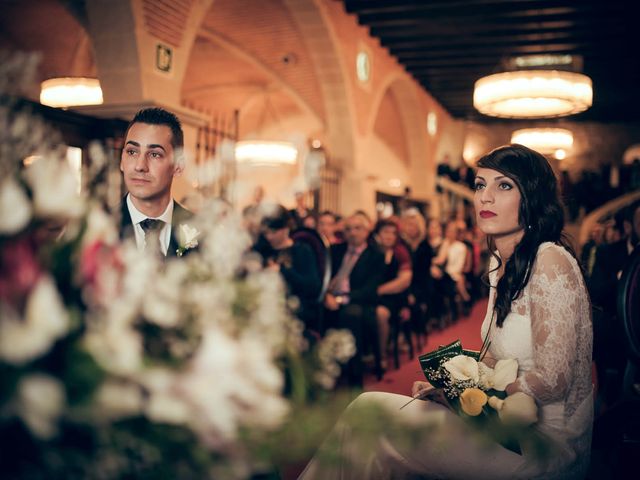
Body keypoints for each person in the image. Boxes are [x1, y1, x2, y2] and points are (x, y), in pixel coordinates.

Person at [299, 144, 593, 479]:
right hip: (501, 420)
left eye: (504, 185)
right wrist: (451, 390)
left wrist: (467, 396)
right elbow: (498, 360)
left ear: (533, 197)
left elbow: (555, 380)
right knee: (366, 414)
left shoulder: (550, 261)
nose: (485, 197)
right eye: (480, 185)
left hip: (541, 444)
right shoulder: (501, 267)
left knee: (369, 415)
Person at [119, 107, 195, 258]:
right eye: (132, 152)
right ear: (122, 160)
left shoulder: (199, 230)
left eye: (155, 154)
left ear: (178, 166)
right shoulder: (94, 228)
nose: (140, 166)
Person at [324, 211, 385, 386]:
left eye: (358, 228)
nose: (352, 233)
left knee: (350, 315)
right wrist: (328, 296)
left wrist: (342, 299)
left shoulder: (376, 254)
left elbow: (370, 290)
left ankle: (354, 378)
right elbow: (325, 278)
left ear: (366, 231)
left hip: (359, 302)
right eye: (349, 229)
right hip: (331, 298)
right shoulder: (336, 250)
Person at [260, 205, 321, 333]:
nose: (269, 237)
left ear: (286, 229)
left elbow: (312, 287)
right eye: (266, 232)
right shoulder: (263, 250)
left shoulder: (302, 251)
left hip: (295, 305)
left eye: (274, 232)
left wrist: (282, 272)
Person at [372, 219, 412, 370]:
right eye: (385, 232)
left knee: (380, 314)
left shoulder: (399, 251)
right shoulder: (372, 250)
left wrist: (377, 290)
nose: (389, 236)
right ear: (378, 234)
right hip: (372, 296)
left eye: (393, 233)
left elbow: (403, 282)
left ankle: (381, 356)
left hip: (394, 298)